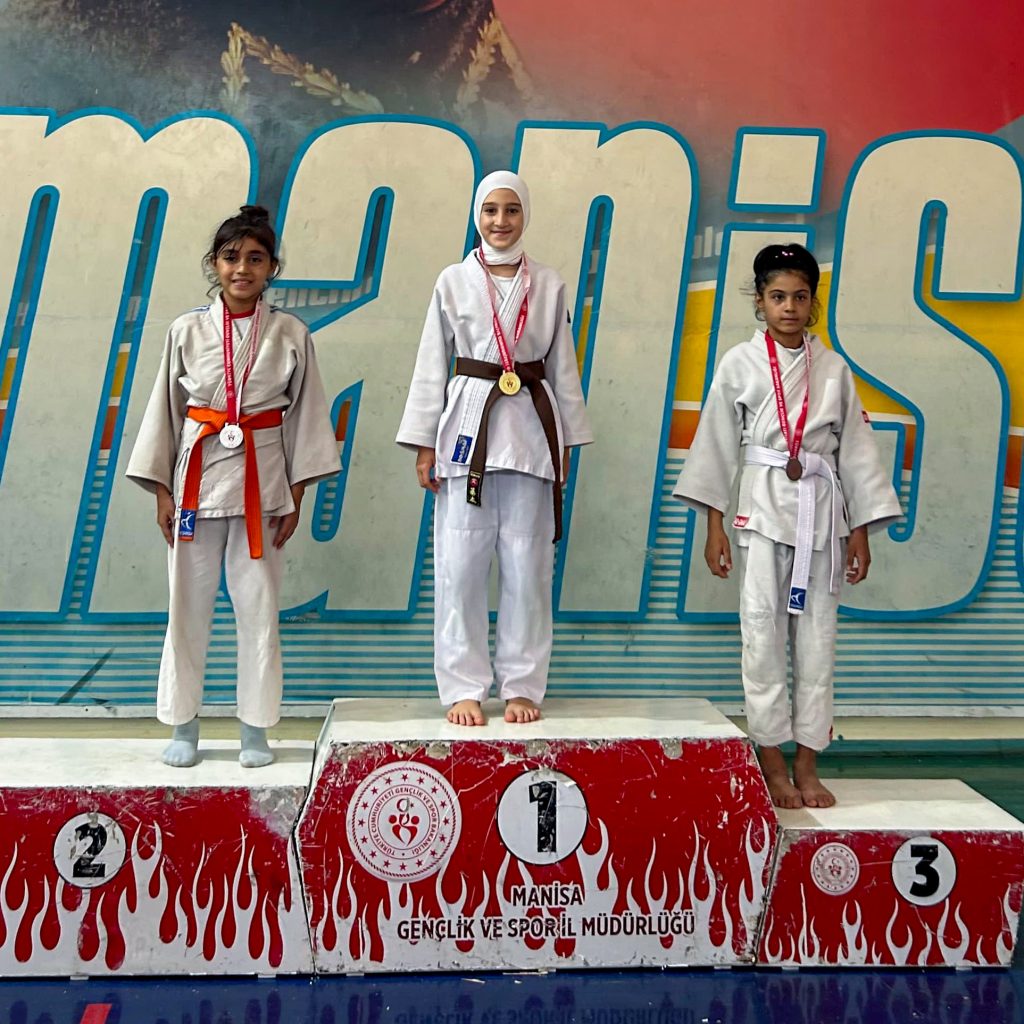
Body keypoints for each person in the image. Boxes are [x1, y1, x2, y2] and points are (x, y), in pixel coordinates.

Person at [674, 243, 901, 808]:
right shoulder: (739, 364)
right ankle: (772, 759)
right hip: (760, 512)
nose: (789, 308)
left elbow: (856, 454)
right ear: (760, 301)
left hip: (822, 516)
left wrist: (860, 530)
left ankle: (808, 761)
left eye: (800, 297)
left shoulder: (834, 370)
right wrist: (713, 526)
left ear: (813, 303)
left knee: (819, 642)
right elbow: (715, 447)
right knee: (761, 638)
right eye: (778, 297)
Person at [127, 205, 340, 768]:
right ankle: (184, 726)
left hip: (262, 484)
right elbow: (165, 411)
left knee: (260, 609)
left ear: (272, 268)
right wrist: (162, 493)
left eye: (255, 258)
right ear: (214, 264)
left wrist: (297, 493)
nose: (242, 268)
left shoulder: (291, 334)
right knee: (186, 608)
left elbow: (307, 416)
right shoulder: (185, 330)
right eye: (230, 257)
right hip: (195, 481)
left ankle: (255, 729)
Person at [397, 171, 593, 726]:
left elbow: (563, 367)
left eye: (511, 210)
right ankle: (463, 685)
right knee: (459, 567)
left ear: (525, 215)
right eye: (490, 210)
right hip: (468, 428)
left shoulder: (548, 283)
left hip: (531, 432)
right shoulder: (453, 280)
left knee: (528, 568)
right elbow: (431, 362)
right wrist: (424, 444)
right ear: (476, 215)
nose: (500, 221)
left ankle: (521, 686)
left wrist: (566, 439)